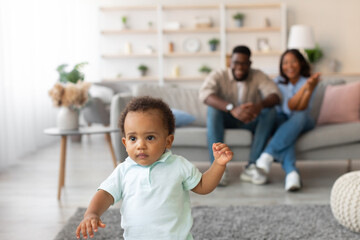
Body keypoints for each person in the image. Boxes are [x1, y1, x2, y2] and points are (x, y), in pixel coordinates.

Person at [75, 96, 233, 240]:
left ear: (168, 141)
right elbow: (105, 194)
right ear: (125, 143)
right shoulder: (123, 170)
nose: (140, 145)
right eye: (133, 138)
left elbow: (203, 186)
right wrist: (92, 213)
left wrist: (218, 164)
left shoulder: (178, 165)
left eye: (150, 137)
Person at [199, 45, 281, 186]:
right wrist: (231, 109)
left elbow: (275, 95)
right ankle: (218, 169)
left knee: (270, 112)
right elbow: (205, 95)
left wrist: (258, 106)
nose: (240, 67)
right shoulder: (219, 75)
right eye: (236, 62)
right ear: (230, 62)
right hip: (227, 119)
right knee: (213, 110)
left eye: (244, 63)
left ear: (250, 64)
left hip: (250, 118)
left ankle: (252, 166)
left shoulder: (258, 75)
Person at [254, 49, 320, 191]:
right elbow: (289, 106)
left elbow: (301, 108)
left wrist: (307, 87)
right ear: (281, 66)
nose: (289, 66)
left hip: (303, 120)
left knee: (299, 116)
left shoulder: (309, 81)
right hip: (282, 120)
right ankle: (292, 174)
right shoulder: (277, 82)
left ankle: (267, 155)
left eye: (293, 61)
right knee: (286, 131)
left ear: (301, 63)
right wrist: (306, 88)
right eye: (285, 63)